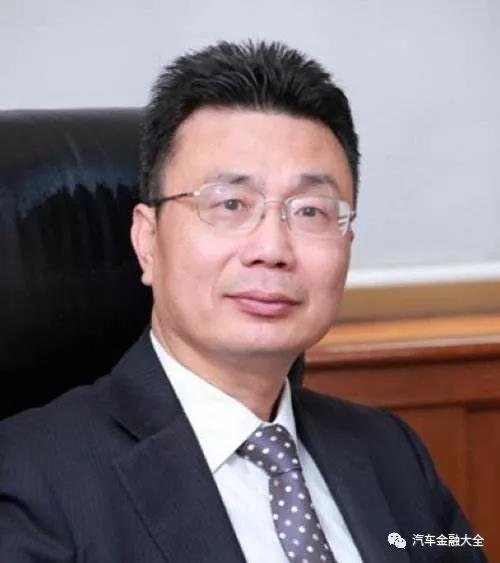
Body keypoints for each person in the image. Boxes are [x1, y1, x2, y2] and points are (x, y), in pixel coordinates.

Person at [0, 40, 486, 563]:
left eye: (310, 211)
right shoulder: (30, 479)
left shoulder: (391, 452)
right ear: (148, 241)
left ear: (347, 242)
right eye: (231, 204)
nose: (272, 250)